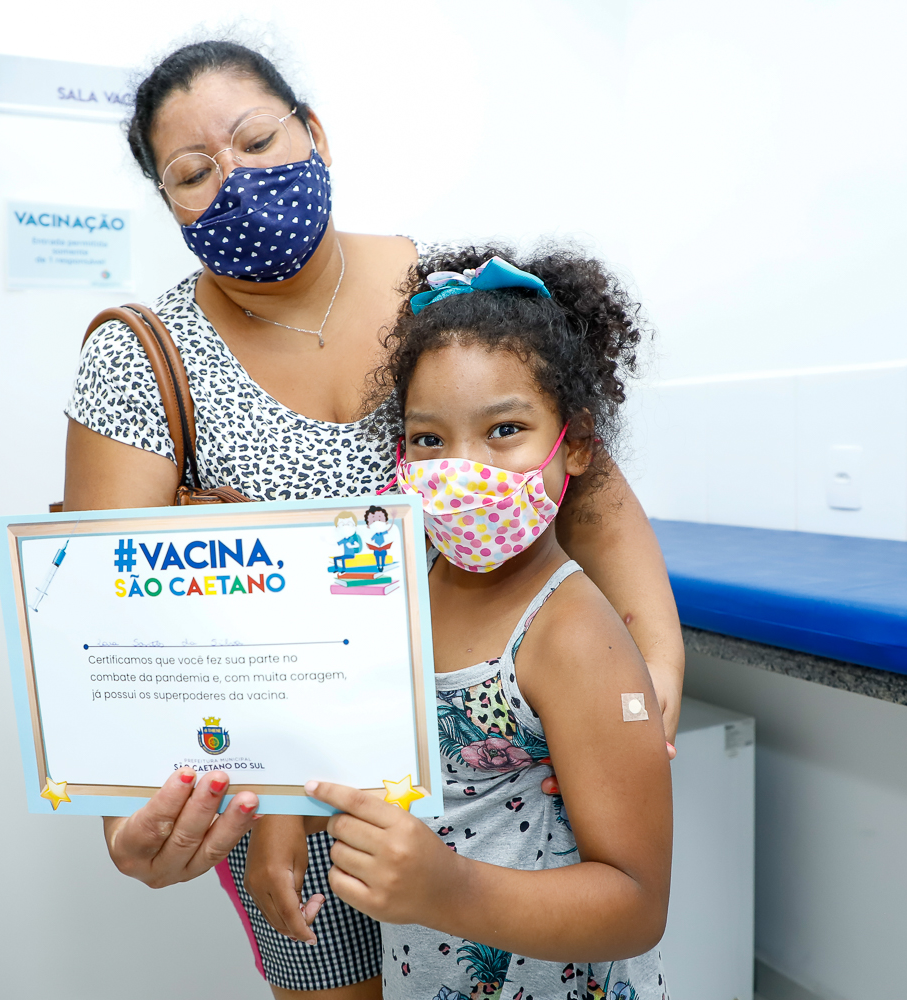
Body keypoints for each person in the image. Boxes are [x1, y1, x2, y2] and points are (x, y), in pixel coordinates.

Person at [59, 38, 684, 1000]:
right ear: (167, 202)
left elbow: (594, 499)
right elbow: (118, 627)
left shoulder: (446, 301)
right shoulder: (145, 359)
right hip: (297, 801)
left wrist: (653, 683)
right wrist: (135, 817)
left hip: (504, 797)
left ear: (313, 132)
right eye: (192, 172)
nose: (235, 181)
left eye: (257, 140)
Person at [308, 247, 670, 999]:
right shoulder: (400, 600)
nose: (460, 469)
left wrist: (449, 889)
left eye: (504, 430)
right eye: (428, 440)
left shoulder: (574, 637)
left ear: (575, 444)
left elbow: (637, 905)